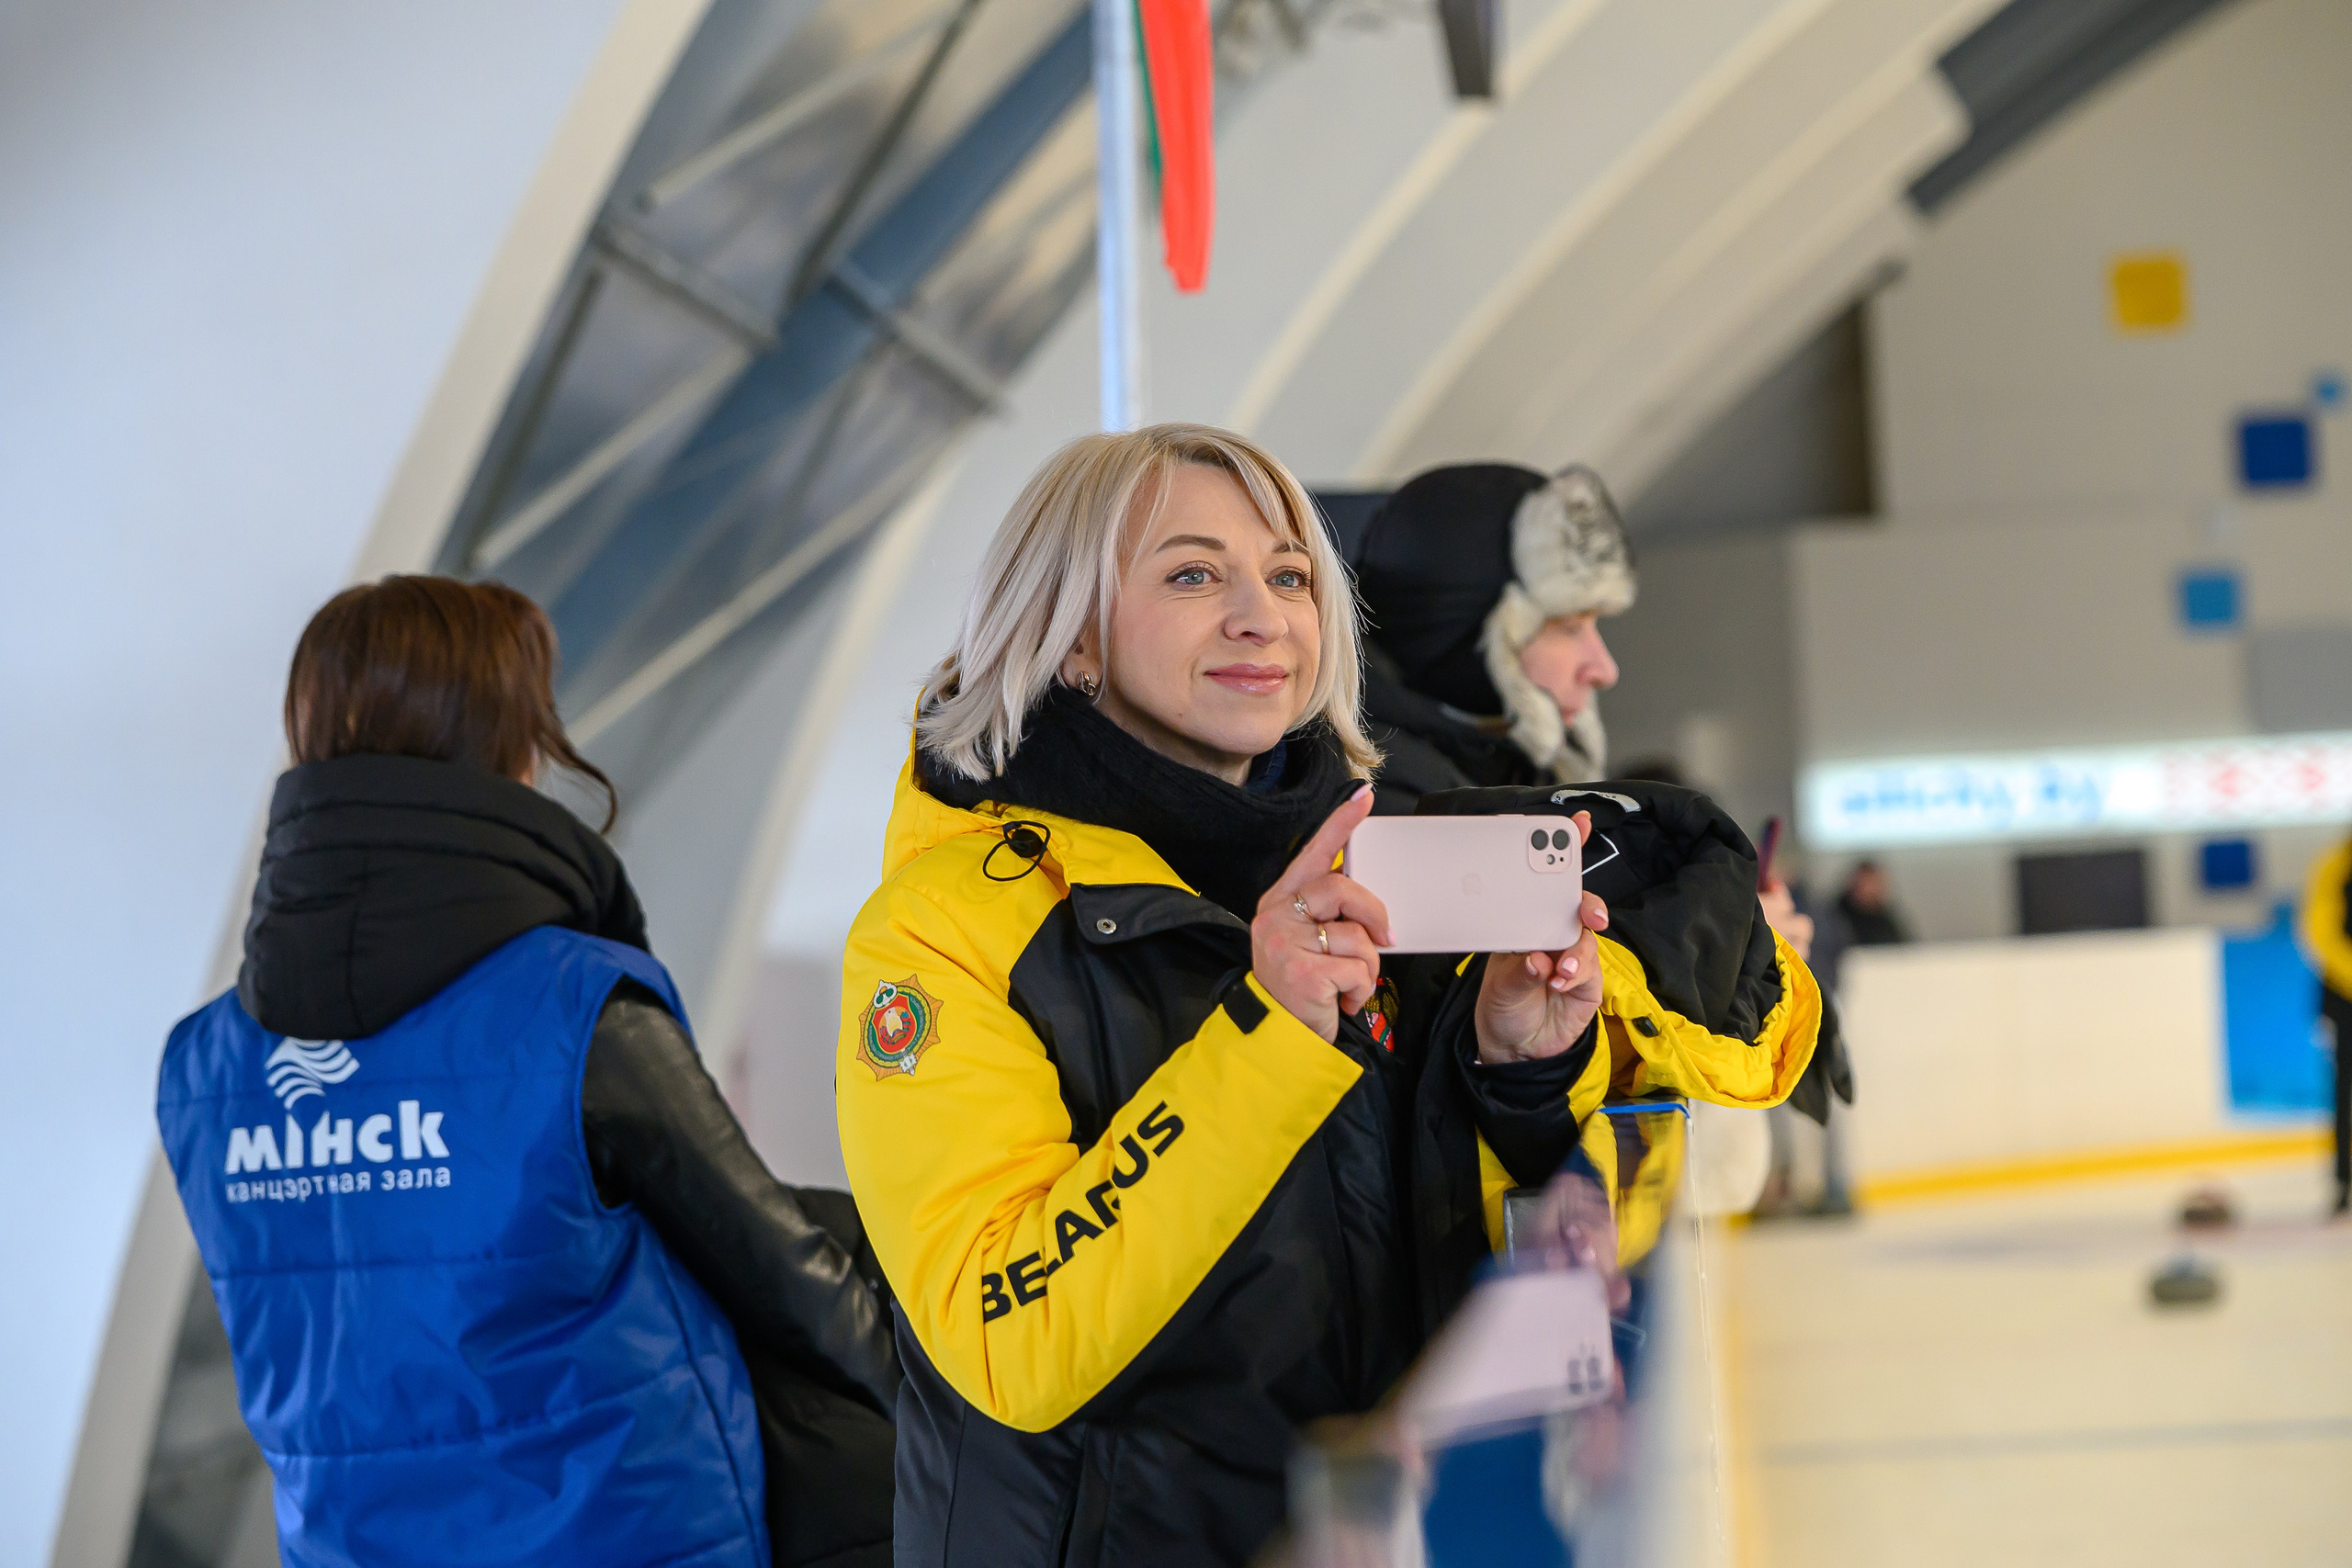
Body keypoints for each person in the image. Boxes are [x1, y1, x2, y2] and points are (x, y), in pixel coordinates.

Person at [834, 423, 1822, 1567]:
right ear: (1074, 642)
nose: (1263, 614)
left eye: (1290, 575)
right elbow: (1010, 1339)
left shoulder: (1378, 863)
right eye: (1193, 573)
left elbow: (1466, 1284)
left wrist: (1519, 1076)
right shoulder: (938, 929)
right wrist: (1265, 1031)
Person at [156, 577, 900, 1568]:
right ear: (507, 740)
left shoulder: (202, 1069)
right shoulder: (574, 1009)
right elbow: (791, 1280)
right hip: (633, 1536)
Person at [1351, 462, 1634, 811]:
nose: (1604, 670)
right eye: (1569, 627)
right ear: (1472, 638)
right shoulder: (1384, 802)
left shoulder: (1489, 763)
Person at [2298, 834, 2352, 1216]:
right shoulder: (2334, 866)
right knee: (2344, 1092)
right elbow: (2321, 933)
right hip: (2343, 998)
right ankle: (2343, 1181)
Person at [1836, 859, 1910, 947]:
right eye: (1867, 884)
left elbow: (1905, 945)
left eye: (1874, 884)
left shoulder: (1885, 917)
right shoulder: (1838, 918)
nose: (1871, 890)